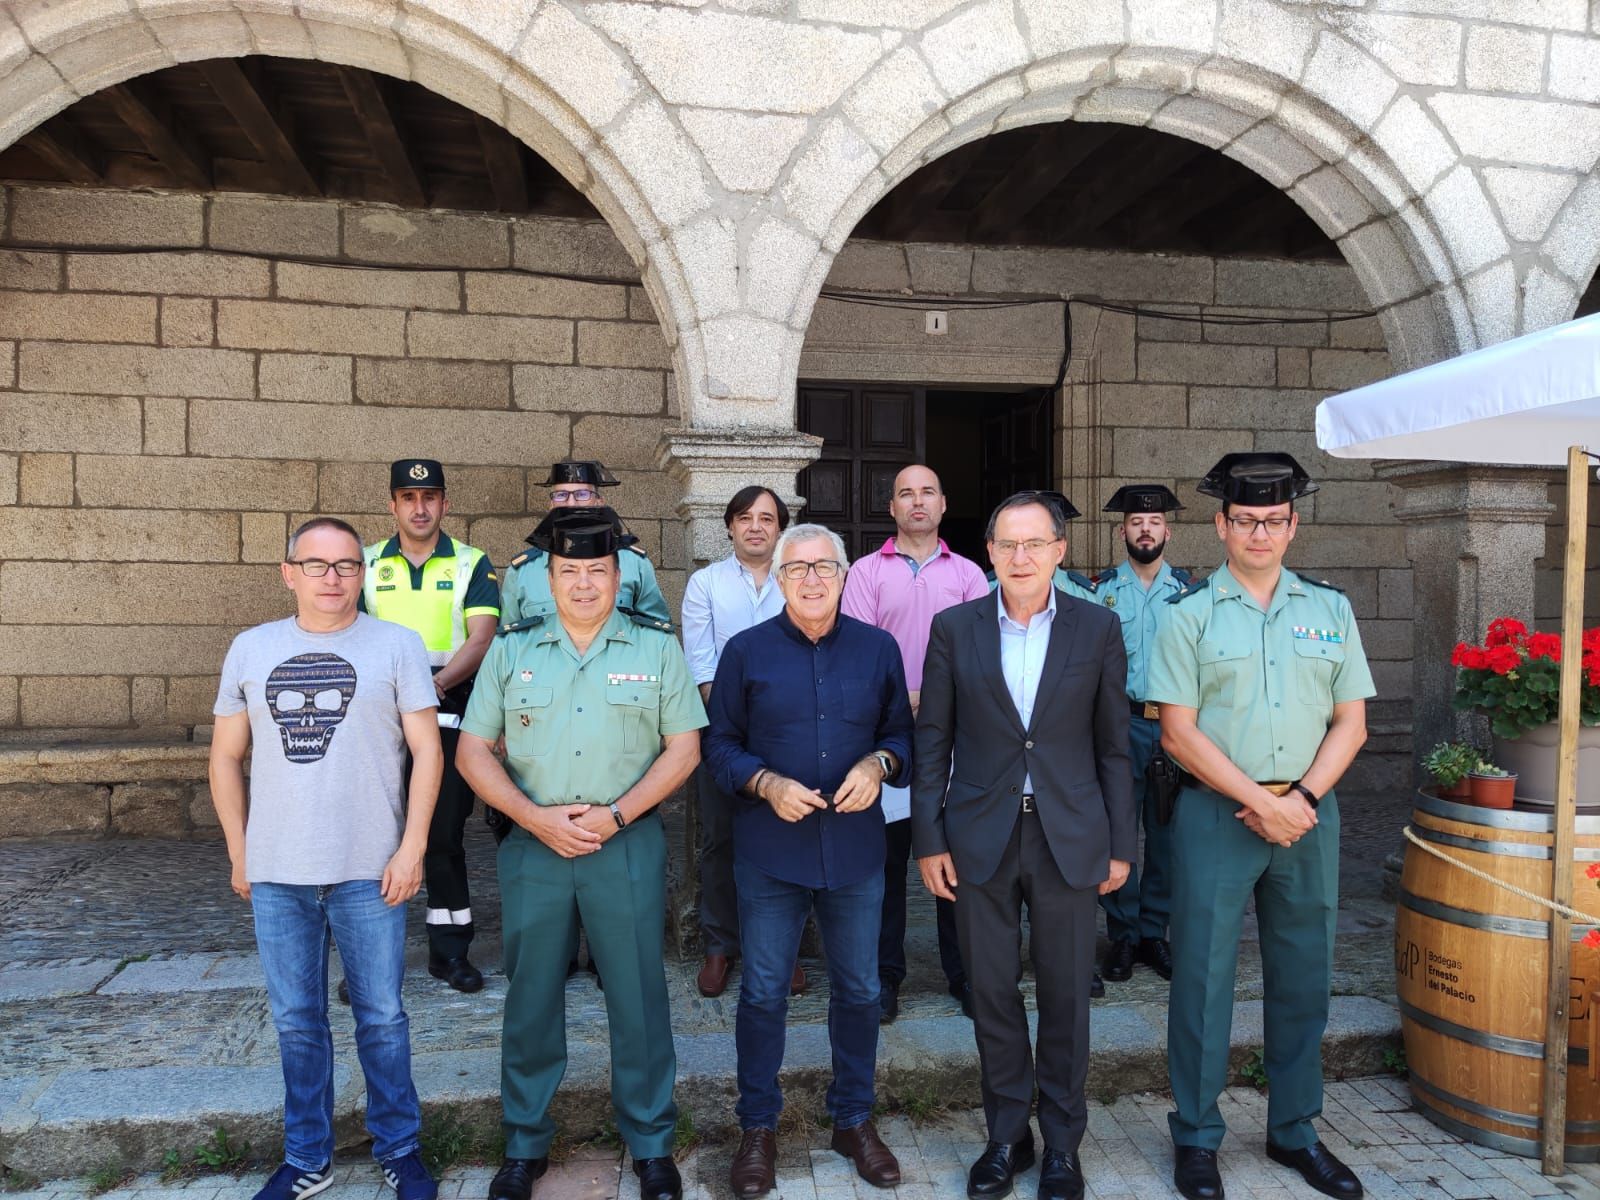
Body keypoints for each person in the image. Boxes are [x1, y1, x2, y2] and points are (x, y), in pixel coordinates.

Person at [456, 508, 706, 1200]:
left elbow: (684, 748)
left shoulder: (655, 648)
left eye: (598, 570)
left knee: (639, 998)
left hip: (624, 846)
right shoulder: (512, 649)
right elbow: (473, 749)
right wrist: (532, 817)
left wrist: (619, 812)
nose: (585, 584)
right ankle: (524, 1144)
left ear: (619, 575)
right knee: (531, 1000)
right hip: (534, 850)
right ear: (549, 577)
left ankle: (653, 1145)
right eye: (571, 571)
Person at [1146, 452, 1373, 1200]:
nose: (1260, 534)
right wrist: (1261, 800)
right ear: (1220, 525)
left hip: (1309, 813)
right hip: (1217, 812)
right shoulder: (1188, 615)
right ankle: (1198, 1137)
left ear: (1293, 525)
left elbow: (1352, 721)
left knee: (1304, 975)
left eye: (1274, 521)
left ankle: (1295, 1132)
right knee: (1203, 980)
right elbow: (1177, 732)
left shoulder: (1329, 609)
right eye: (1245, 520)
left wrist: (1300, 797)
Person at [210, 516, 441, 1200]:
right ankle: (308, 1157)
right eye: (316, 565)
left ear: (362, 575)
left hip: (372, 869)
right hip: (279, 871)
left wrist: (413, 846)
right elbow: (225, 756)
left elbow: (428, 751)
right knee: (297, 1022)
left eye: (345, 565)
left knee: (382, 1017)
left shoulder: (398, 646)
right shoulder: (251, 649)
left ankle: (399, 1146)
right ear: (289, 573)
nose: (332, 578)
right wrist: (238, 850)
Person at [913, 492, 1134, 1200]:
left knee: (1067, 996)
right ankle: (1008, 1134)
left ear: (1060, 550)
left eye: (1035, 543)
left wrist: (1121, 845)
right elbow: (932, 743)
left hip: (1069, 836)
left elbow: (1113, 749)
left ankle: (1064, 1144)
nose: (1021, 557)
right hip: (980, 837)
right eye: (1008, 544)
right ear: (989, 552)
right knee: (993, 994)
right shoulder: (954, 629)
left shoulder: (1098, 629)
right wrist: (928, 837)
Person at [704, 523, 914, 1199]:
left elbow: (900, 736)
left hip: (855, 852)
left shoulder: (879, 650)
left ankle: (852, 1120)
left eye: (825, 567)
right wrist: (764, 783)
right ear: (781, 579)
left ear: (846, 574)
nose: (813, 580)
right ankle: (757, 1128)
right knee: (764, 993)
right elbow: (720, 746)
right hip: (771, 853)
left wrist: (878, 765)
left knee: (859, 991)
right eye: (798, 570)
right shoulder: (746, 652)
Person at [840, 464, 988, 1024]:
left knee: (960, 863)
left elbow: (983, 654)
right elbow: (858, 653)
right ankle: (883, 978)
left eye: (928, 491)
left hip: (960, 740)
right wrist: (911, 696)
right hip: (891, 738)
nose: (917, 501)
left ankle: (967, 974)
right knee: (887, 867)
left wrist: (937, 695)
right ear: (893, 508)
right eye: (905, 493)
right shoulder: (864, 572)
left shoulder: (971, 574)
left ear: (944, 504)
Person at [357, 458, 498, 993]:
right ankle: (372, 961)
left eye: (431, 497)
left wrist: (428, 688)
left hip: (444, 709)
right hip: (375, 718)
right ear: (392, 504)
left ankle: (449, 954)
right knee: (372, 838)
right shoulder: (366, 563)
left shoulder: (470, 562)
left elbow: (481, 637)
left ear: (445, 504)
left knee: (441, 834)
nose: (420, 508)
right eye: (409, 498)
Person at [681, 485, 807, 1000]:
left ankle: (787, 949)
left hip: (792, 732)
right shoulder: (704, 583)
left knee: (790, 837)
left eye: (767, 518)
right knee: (720, 840)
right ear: (729, 526)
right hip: (724, 733)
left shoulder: (797, 579)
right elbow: (701, 664)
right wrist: (737, 720)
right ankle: (720, 944)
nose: (756, 526)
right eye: (745, 518)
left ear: (781, 528)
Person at [1093, 484, 1191, 989]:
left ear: (1167, 532)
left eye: (1153, 523)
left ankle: (1156, 932)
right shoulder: (1101, 591)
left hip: (1175, 725)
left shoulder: (1193, 593)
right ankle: (1123, 934)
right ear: (1123, 531)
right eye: (1135, 523)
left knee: (1167, 832)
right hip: (1120, 723)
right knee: (1118, 829)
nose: (1145, 529)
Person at [498, 459, 670, 626]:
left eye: (582, 494)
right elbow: (509, 641)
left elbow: (656, 633)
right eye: (561, 495)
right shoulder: (522, 571)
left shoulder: (635, 564)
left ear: (599, 502)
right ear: (551, 504)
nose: (571, 503)